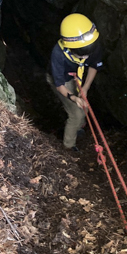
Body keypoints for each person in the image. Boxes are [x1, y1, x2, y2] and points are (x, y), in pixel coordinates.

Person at [49, 13, 103, 151]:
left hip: (77, 77)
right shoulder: (58, 54)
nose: (86, 57)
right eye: (81, 55)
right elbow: (60, 84)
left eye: (87, 54)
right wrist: (72, 97)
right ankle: (68, 147)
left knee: (83, 104)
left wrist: (85, 87)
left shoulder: (92, 44)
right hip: (61, 80)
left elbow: (93, 65)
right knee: (76, 114)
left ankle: (79, 127)